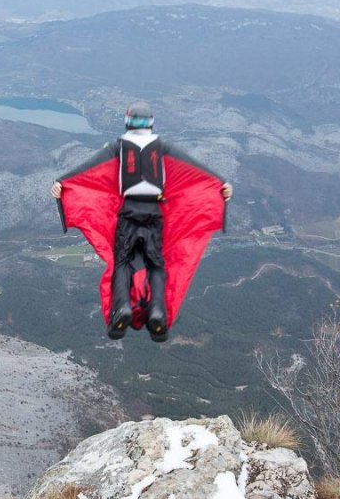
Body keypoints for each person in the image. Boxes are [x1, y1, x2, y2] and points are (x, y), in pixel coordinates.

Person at [52, 100, 232, 341]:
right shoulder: (162, 146)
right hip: (154, 213)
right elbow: (195, 169)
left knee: (122, 262)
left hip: (128, 212)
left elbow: (88, 169)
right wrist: (221, 184)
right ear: (151, 123)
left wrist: (62, 183)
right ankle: (157, 311)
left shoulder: (118, 146)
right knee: (156, 264)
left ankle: (122, 307)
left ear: (128, 121)